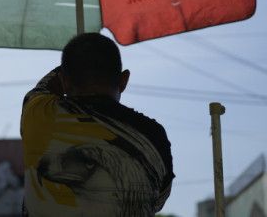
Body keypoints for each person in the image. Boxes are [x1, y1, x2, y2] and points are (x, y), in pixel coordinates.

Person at [20, 32, 174, 217]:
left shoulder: (38, 114)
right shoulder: (153, 136)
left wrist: (75, 63)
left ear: (64, 82)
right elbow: (156, 202)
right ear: (124, 80)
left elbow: (44, 86)